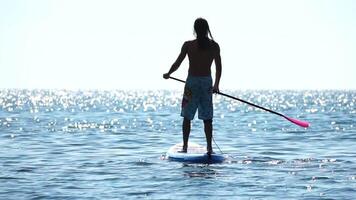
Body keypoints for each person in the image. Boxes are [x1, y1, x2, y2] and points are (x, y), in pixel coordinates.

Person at [163, 18, 222, 155]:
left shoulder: (188, 45)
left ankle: (184, 146)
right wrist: (216, 85)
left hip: (192, 84)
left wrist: (168, 73)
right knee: (207, 119)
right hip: (206, 84)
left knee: (187, 117)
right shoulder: (214, 46)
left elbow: (177, 63)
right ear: (207, 29)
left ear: (195, 30)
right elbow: (219, 68)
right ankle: (209, 148)